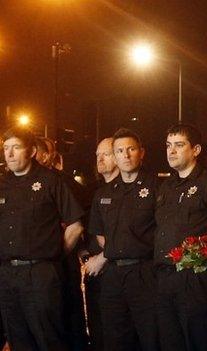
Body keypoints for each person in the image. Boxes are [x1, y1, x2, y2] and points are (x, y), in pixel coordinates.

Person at [0, 128, 84, 350]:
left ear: (31, 150)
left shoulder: (50, 181)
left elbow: (75, 226)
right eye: (6, 148)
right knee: (18, 338)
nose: (9, 154)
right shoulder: (3, 183)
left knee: (49, 338)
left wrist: (55, 253)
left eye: (16, 148)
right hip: (8, 273)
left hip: (40, 273)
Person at [154, 124, 207, 351]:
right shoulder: (166, 186)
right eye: (169, 145)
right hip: (165, 277)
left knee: (198, 341)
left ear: (196, 150)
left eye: (179, 145)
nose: (172, 151)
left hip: (194, 279)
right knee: (171, 342)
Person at [88, 129, 160, 350]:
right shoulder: (104, 193)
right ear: (115, 156)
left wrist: (120, 249)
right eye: (119, 151)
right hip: (113, 276)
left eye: (131, 149)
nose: (126, 155)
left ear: (141, 152)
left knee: (151, 338)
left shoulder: (158, 187)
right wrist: (112, 253)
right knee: (115, 338)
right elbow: (99, 234)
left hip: (145, 274)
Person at [82, 137, 120, 351]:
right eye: (97, 154)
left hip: (115, 270)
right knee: (98, 329)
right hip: (95, 273)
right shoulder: (96, 191)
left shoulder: (127, 190)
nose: (100, 159)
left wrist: (104, 257)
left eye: (106, 154)